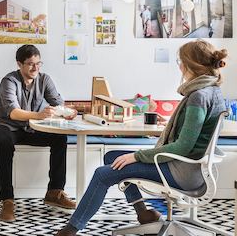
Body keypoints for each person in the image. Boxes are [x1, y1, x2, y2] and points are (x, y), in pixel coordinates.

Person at [55, 39, 228, 236]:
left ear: (191, 65)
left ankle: (70, 230)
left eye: (181, 61)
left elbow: (183, 147)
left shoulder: (198, 95)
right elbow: (195, 132)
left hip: (183, 172)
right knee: (112, 157)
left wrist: (138, 156)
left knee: (102, 174)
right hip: (194, 168)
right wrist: (173, 124)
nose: (179, 66)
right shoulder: (212, 91)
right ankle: (143, 214)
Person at [0, 44, 77, 222]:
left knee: (59, 137)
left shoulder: (44, 79)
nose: (35, 68)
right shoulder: (9, 81)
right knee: (5, 143)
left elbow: (58, 103)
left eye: (38, 63)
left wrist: (68, 112)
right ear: (19, 64)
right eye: (30, 64)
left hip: (29, 128)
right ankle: (7, 200)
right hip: (3, 127)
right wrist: (39, 114)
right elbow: (13, 113)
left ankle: (54, 192)